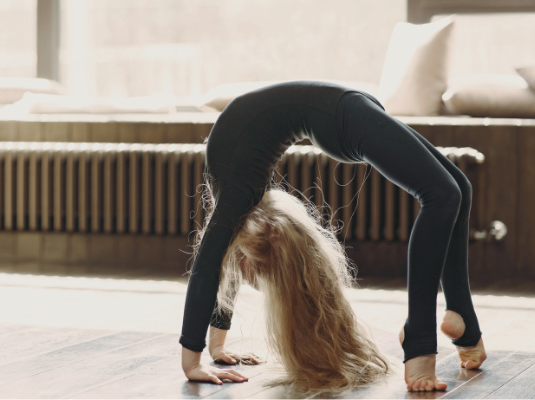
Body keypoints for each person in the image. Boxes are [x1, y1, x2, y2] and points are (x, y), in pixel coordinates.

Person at [179, 81, 487, 393]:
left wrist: (192, 362)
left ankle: (420, 339)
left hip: (340, 116)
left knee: (446, 193)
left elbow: (208, 269)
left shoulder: (237, 200)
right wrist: (217, 348)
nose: (248, 282)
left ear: (247, 257)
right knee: (454, 190)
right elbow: (222, 267)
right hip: (343, 105)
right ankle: (464, 322)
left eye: (256, 277)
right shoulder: (237, 205)